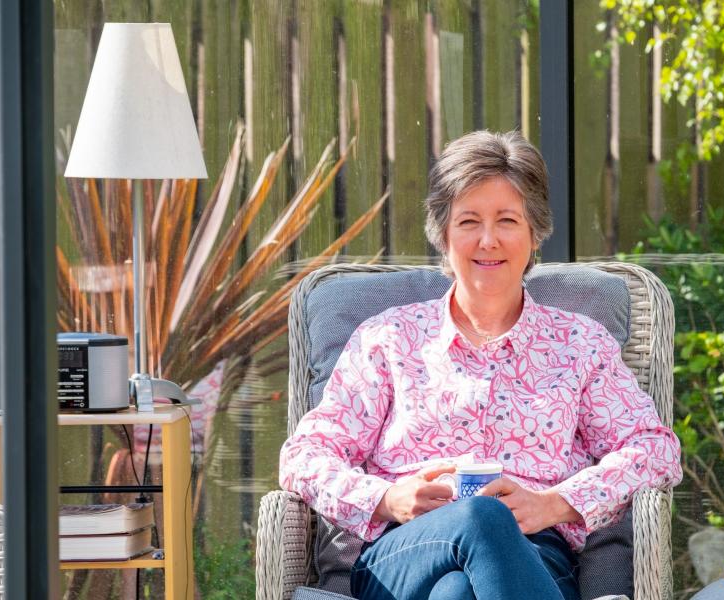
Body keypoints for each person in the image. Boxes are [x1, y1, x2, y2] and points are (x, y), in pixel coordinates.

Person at [279, 130, 682, 600]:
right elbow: (304, 457)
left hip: (536, 559)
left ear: (534, 234)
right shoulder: (388, 339)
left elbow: (655, 450)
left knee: (456, 593)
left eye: (507, 220)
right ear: (444, 235)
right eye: (469, 221)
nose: (488, 240)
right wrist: (387, 500)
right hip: (402, 556)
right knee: (480, 518)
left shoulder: (579, 344)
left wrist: (555, 504)